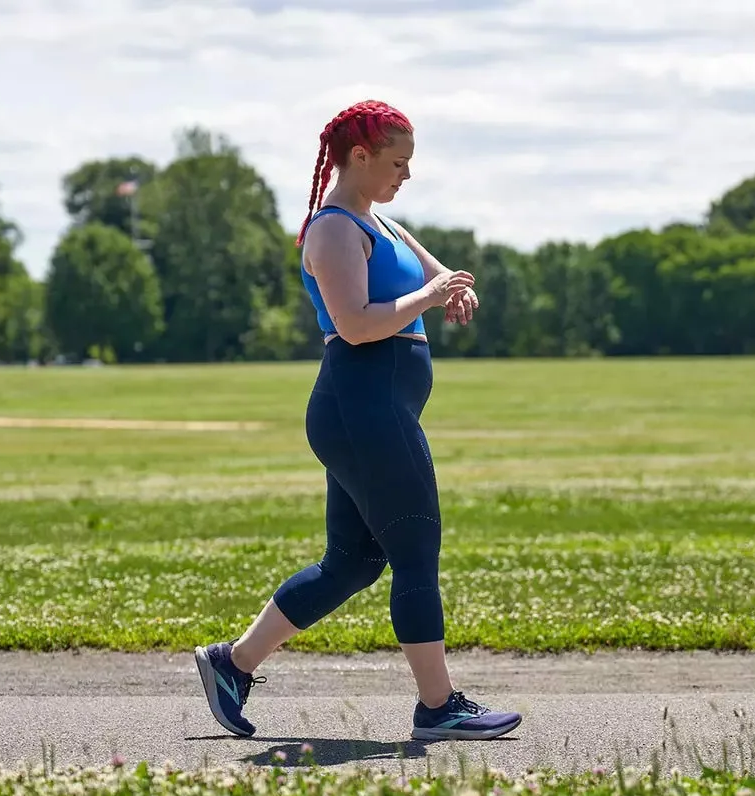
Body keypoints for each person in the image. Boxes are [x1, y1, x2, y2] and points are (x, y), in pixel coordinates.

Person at [194, 99, 522, 742]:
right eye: (397, 162)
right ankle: (439, 706)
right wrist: (430, 296)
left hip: (373, 407)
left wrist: (455, 289)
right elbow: (356, 324)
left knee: (352, 560)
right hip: (362, 405)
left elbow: (440, 277)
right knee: (416, 546)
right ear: (360, 157)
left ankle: (231, 664)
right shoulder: (335, 230)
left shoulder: (384, 225)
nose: (406, 174)